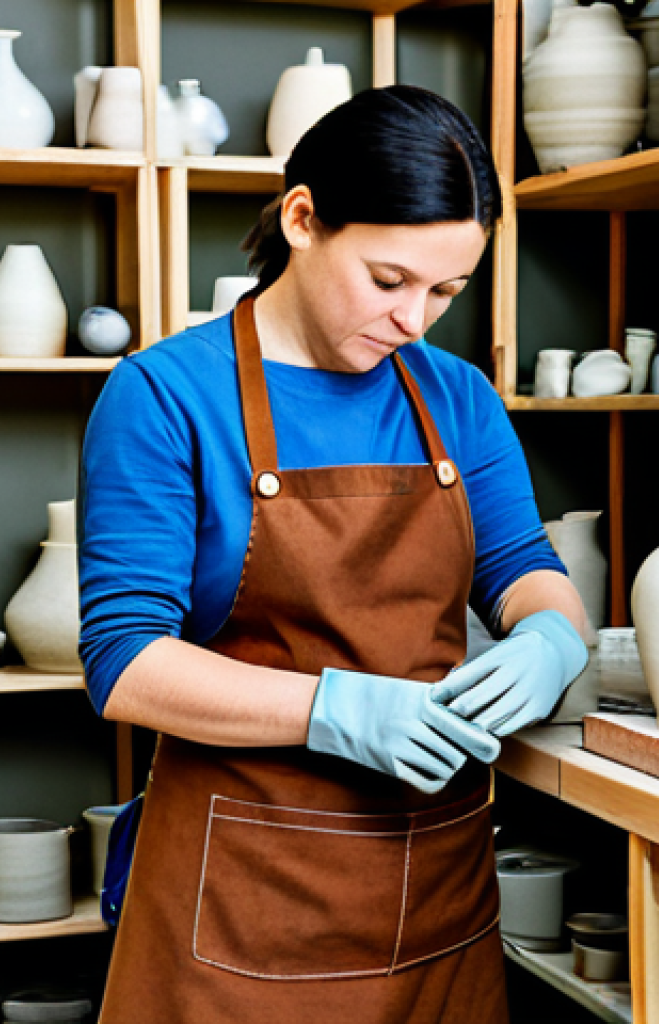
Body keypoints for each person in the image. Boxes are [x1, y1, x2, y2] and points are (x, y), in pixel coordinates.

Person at [80, 85, 589, 1024]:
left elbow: (522, 568)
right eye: (389, 280)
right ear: (304, 218)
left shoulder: (457, 396)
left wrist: (552, 638)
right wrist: (334, 708)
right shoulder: (163, 396)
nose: (415, 320)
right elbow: (125, 664)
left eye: (446, 292)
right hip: (239, 893)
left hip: (436, 882)